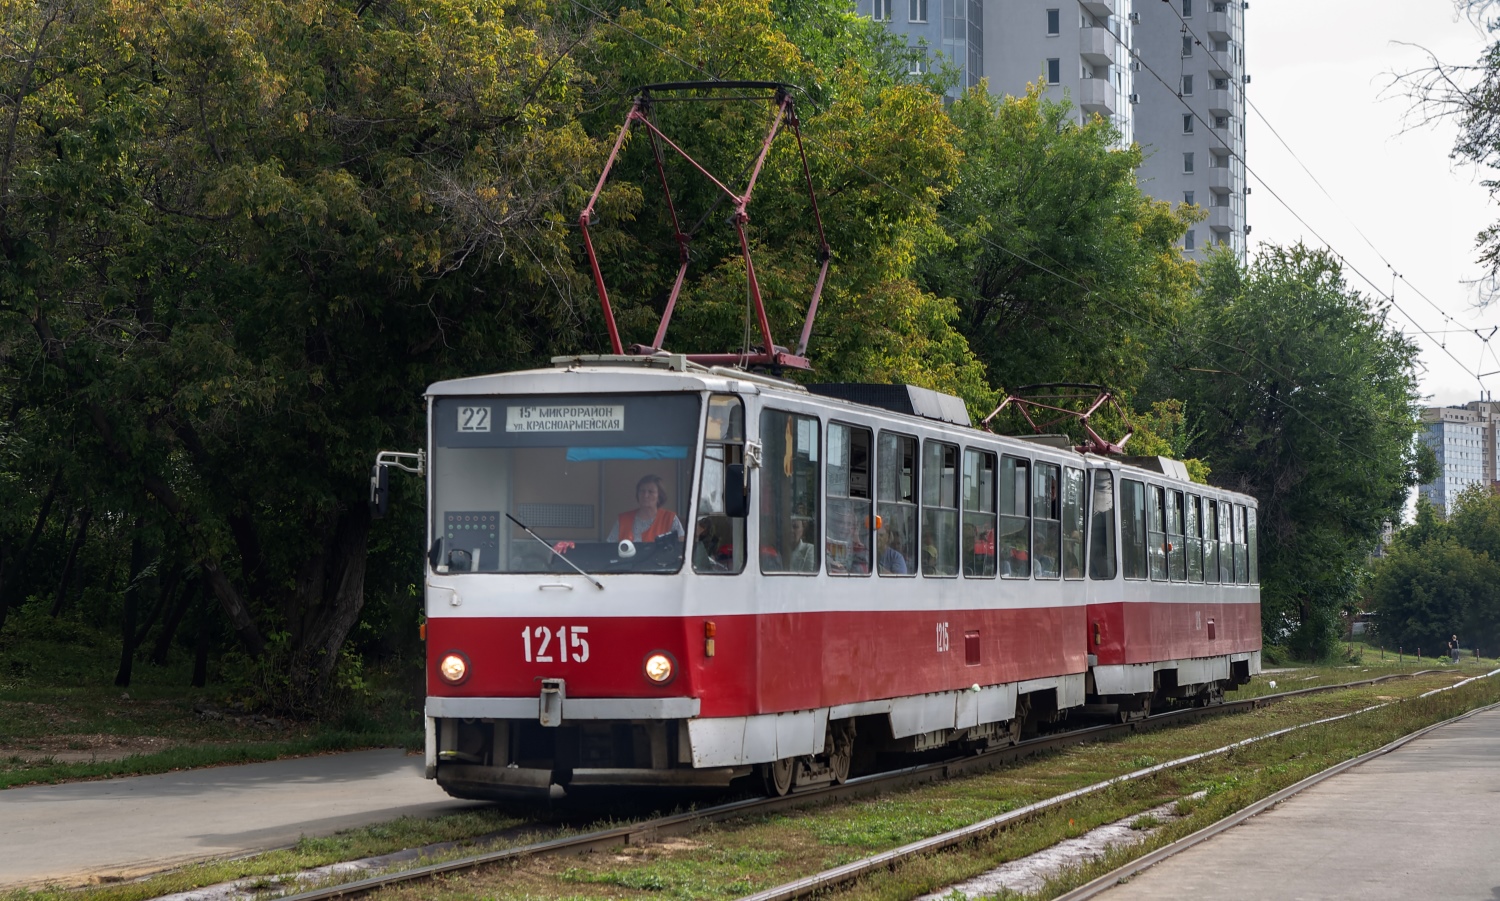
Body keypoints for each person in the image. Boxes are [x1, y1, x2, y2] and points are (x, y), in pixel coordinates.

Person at [607, 474, 684, 543]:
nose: (645, 495)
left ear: (659, 496)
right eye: (642, 491)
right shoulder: (623, 520)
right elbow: (609, 549)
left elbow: (682, 548)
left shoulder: (670, 518)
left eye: (650, 492)